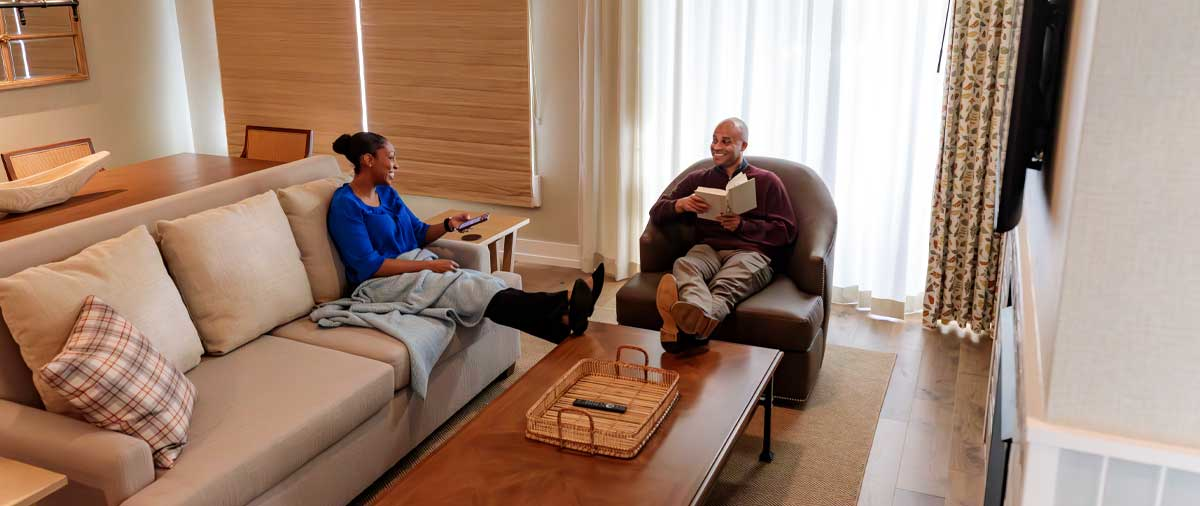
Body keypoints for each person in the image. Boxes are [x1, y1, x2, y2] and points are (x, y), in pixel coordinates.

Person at [326, 131, 603, 343]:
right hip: (379, 285)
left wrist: (448, 224)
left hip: (412, 269)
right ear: (368, 160)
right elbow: (369, 266)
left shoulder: (387, 194)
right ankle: (564, 301)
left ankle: (563, 320)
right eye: (391, 157)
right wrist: (429, 265)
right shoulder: (345, 205)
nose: (396, 165)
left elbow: (419, 233)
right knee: (471, 289)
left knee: (485, 282)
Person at [648, 118, 797, 353]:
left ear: (743, 146)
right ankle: (694, 322)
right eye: (714, 140)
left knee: (723, 286)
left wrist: (742, 225)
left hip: (750, 253)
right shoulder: (699, 179)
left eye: (725, 141)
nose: (716, 146)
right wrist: (681, 204)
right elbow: (656, 211)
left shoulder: (767, 181)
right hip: (708, 249)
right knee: (685, 265)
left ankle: (684, 327)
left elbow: (786, 231)